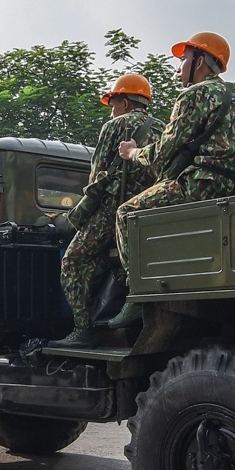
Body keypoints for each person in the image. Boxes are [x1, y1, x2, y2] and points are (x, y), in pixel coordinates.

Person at [109, 32, 235, 324]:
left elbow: (162, 153)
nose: (179, 68)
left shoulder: (194, 95)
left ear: (201, 61)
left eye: (183, 59)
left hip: (202, 184)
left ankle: (138, 293)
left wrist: (132, 152)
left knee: (126, 213)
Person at [56, 72, 163, 348]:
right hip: (151, 209)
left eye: (113, 103)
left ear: (125, 103)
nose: (111, 110)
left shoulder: (114, 126)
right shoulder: (163, 128)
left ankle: (83, 330)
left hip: (113, 211)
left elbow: (97, 177)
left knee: (73, 260)